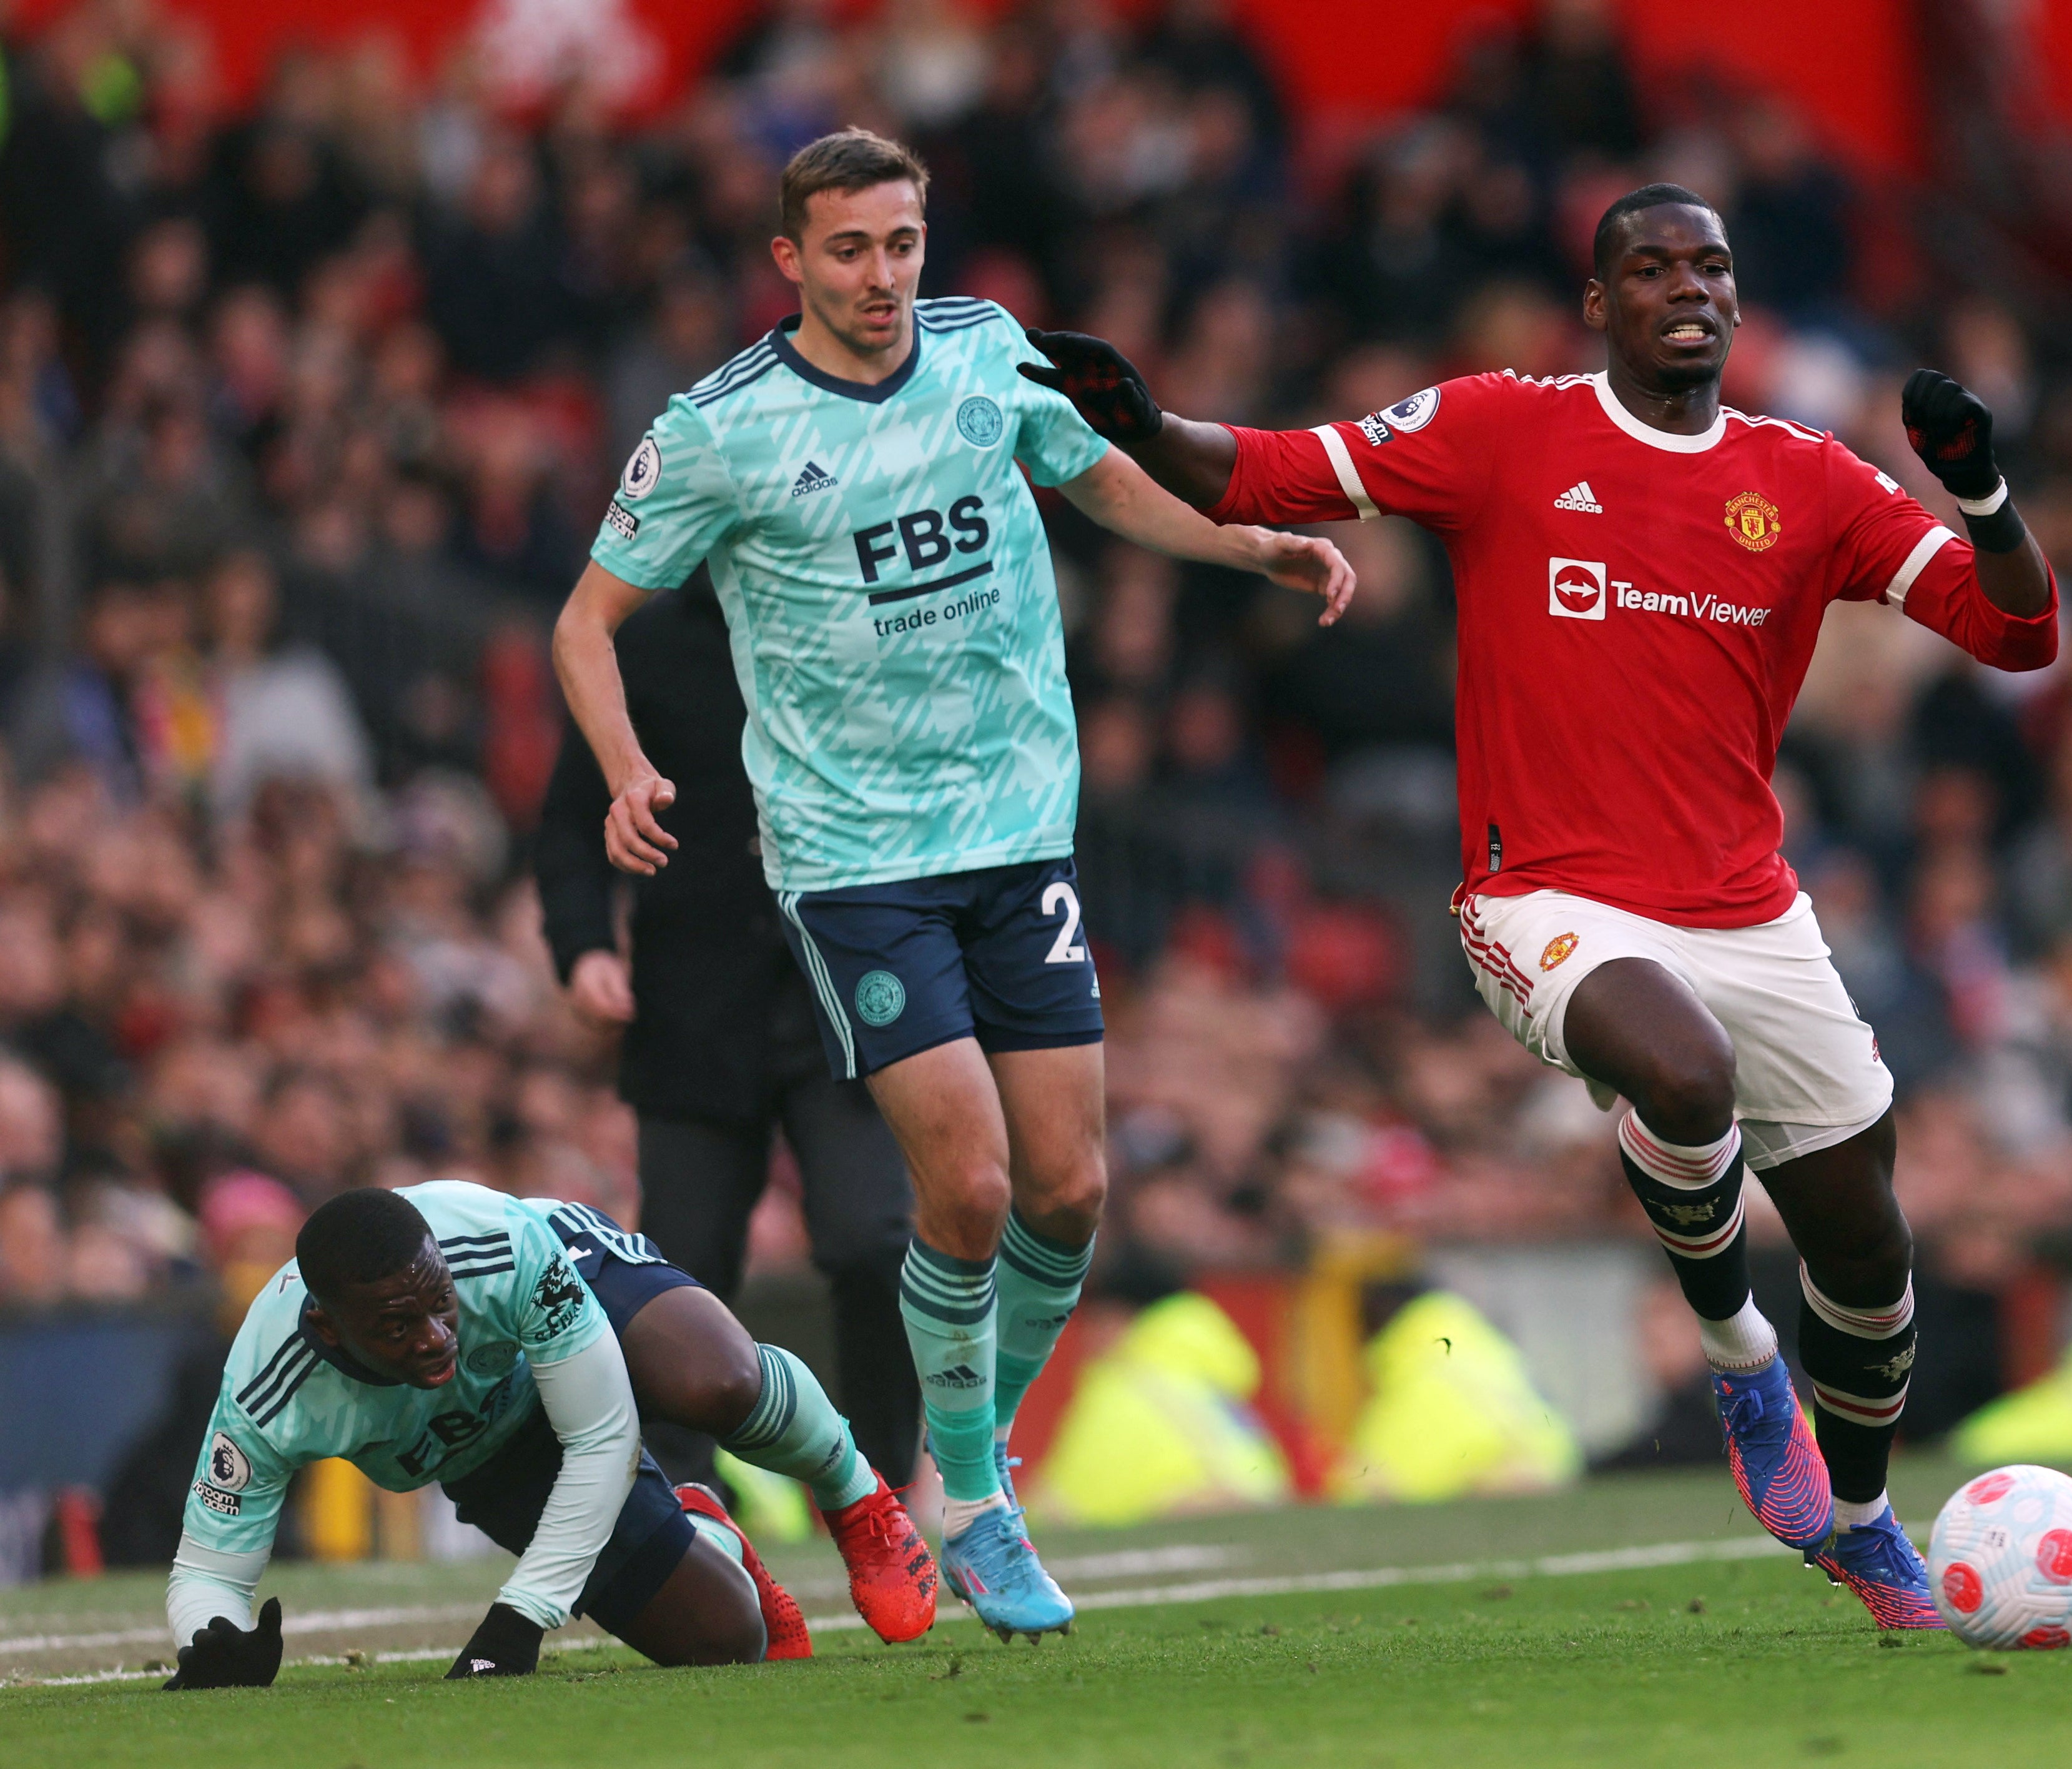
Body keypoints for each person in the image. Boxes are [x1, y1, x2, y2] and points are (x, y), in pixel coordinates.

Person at [1022, 182, 2060, 1630]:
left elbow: (2016, 631)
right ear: (1598, 304)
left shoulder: (1804, 477)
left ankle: (1870, 1521)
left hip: (1748, 904)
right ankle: (1739, 1355)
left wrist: (1981, 492)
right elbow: (1258, 473)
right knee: (1683, 1065)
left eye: (1708, 266)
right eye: (1649, 267)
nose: (1684, 286)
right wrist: (1137, 421)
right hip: (1546, 893)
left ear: (1737, 302)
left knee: (1868, 1247)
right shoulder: (1503, 428)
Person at [550, 129, 1354, 1642]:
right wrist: (625, 767)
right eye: (847, 250)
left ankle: (966, 1469)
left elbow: (1106, 483)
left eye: (902, 245)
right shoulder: (717, 429)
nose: (880, 278)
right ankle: (971, 1493)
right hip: (854, 858)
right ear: (788, 258)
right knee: (969, 1184)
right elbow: (584, 625)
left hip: (1019, 831)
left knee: (1070, 1185)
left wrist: (1245, 544)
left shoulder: (989, 357)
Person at [162, 1182, 938, 1689]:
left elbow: (602, 1435)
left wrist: (521, 1616)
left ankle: (856, 1494)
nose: (435, 1338)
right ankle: (704, 1526)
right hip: (492, 1445)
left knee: (715, 1381)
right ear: (328, 1328)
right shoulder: (266, 1392)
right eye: (398, 1326)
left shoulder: (501, 1249)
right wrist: (213, 1639)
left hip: (568, 1296)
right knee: (726, 1637)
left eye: (440, 1304)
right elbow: (206, 1569)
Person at [536, 574, 922, 1491]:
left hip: (842, 994)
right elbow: (566, 821)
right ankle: (676, 1500)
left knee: (873, 1239)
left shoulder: (858, 632)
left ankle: (883, 1482)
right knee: (678, 1269)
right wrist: (584, 947)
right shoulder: (642, 646)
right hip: (694, 1005)